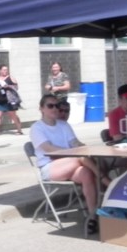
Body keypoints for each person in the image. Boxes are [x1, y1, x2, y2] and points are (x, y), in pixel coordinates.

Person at [30, 94, 104, 235]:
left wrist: (82, 146)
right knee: (80, 158)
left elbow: (74, 142)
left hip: (70, 164)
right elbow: (48, 149)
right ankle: (104, 179)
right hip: (49, 167)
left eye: (56, 105)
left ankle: (93, 216)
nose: (55, 108)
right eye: (50, 106)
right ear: (41, 109)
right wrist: (74, 152)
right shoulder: (36, 128)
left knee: (86, 173)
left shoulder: (64, 125)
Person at [0, 64, 23, 136]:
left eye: (6, 70)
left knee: (12, 115)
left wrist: (8, 86)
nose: (5, 71)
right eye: (4, 70)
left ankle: (19, 129)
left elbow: (16, 87)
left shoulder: (10, 78)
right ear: (0, 70)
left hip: (9, 100)